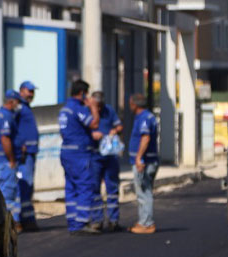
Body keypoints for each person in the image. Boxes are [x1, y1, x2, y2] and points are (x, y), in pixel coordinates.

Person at [58, 80, 102, 235]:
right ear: (82, 93)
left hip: (66, 153)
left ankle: (72, 222)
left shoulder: (65, 110)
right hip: (79, 154)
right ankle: (82, 221)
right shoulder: (78, 108)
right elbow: (94, 123)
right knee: (84, 186)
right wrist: (93, 107)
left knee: (71, 188)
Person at [89, 91, 125, 232]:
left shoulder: (109, 110)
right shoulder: (87, 112)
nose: (97, 109)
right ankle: (97, 220)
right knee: (94, 188)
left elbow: (119, 126)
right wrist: (93, 134)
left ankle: (113, 220)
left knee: (112, 188)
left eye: (99, 106)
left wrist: (114, 131)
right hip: (95, 156)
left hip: (110, 156)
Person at [128, 93, 160, 234]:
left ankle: (147, 223)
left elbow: (145, 138)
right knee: (144, 191)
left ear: (135, 104)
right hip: (148, 161)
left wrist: (139, 158)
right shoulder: (147, 117)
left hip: (145, 162)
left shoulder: (144, 119)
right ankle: (143, 221)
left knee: (144, 193)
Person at [0, 91, 23, 228]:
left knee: (5, 187)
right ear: (12, 101)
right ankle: (10, 222)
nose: (18, 105)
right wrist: (11, 160)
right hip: (5, 158)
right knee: (9, 190)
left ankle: (6, 220)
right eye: (17, 101)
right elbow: (5, 139)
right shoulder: (6, 116)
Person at [14, 80, 40, 231]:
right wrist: (20, 145)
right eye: (29, 91)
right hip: (24, 154)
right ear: (22, 90)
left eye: (32, 92)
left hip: (30, 152)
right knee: (23, 185)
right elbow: (11, 126)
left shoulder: (26, 107)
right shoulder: (18, 107)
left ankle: (27, 218)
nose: (31, 94)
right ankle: (21, 220)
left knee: (28, 186)